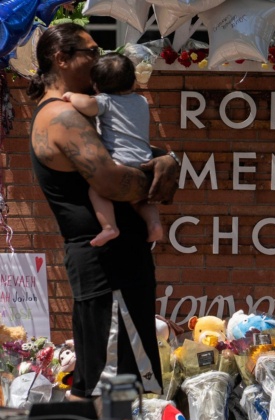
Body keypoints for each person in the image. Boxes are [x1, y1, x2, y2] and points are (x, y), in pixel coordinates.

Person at [27, 23, 179, 400]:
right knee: (113, 386)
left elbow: (127, 152)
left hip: (119, 264)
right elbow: (112, 181)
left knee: (111, 380)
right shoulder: (62, 116)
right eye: (91, 52)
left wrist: (164, 159)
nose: (99, 59)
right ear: (62, 59)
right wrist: (163, 171)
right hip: (106, 266)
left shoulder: (88, 109)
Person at [62, 52, 162, 247]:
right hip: (145, 164)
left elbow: (87, 105)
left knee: (97, 191)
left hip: (120, 163)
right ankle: (155, 224)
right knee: (142, 202)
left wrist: (72, 95)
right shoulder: (141, 101)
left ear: (96, 86)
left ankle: (109, 227)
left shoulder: (105, 101)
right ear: (133, 82)